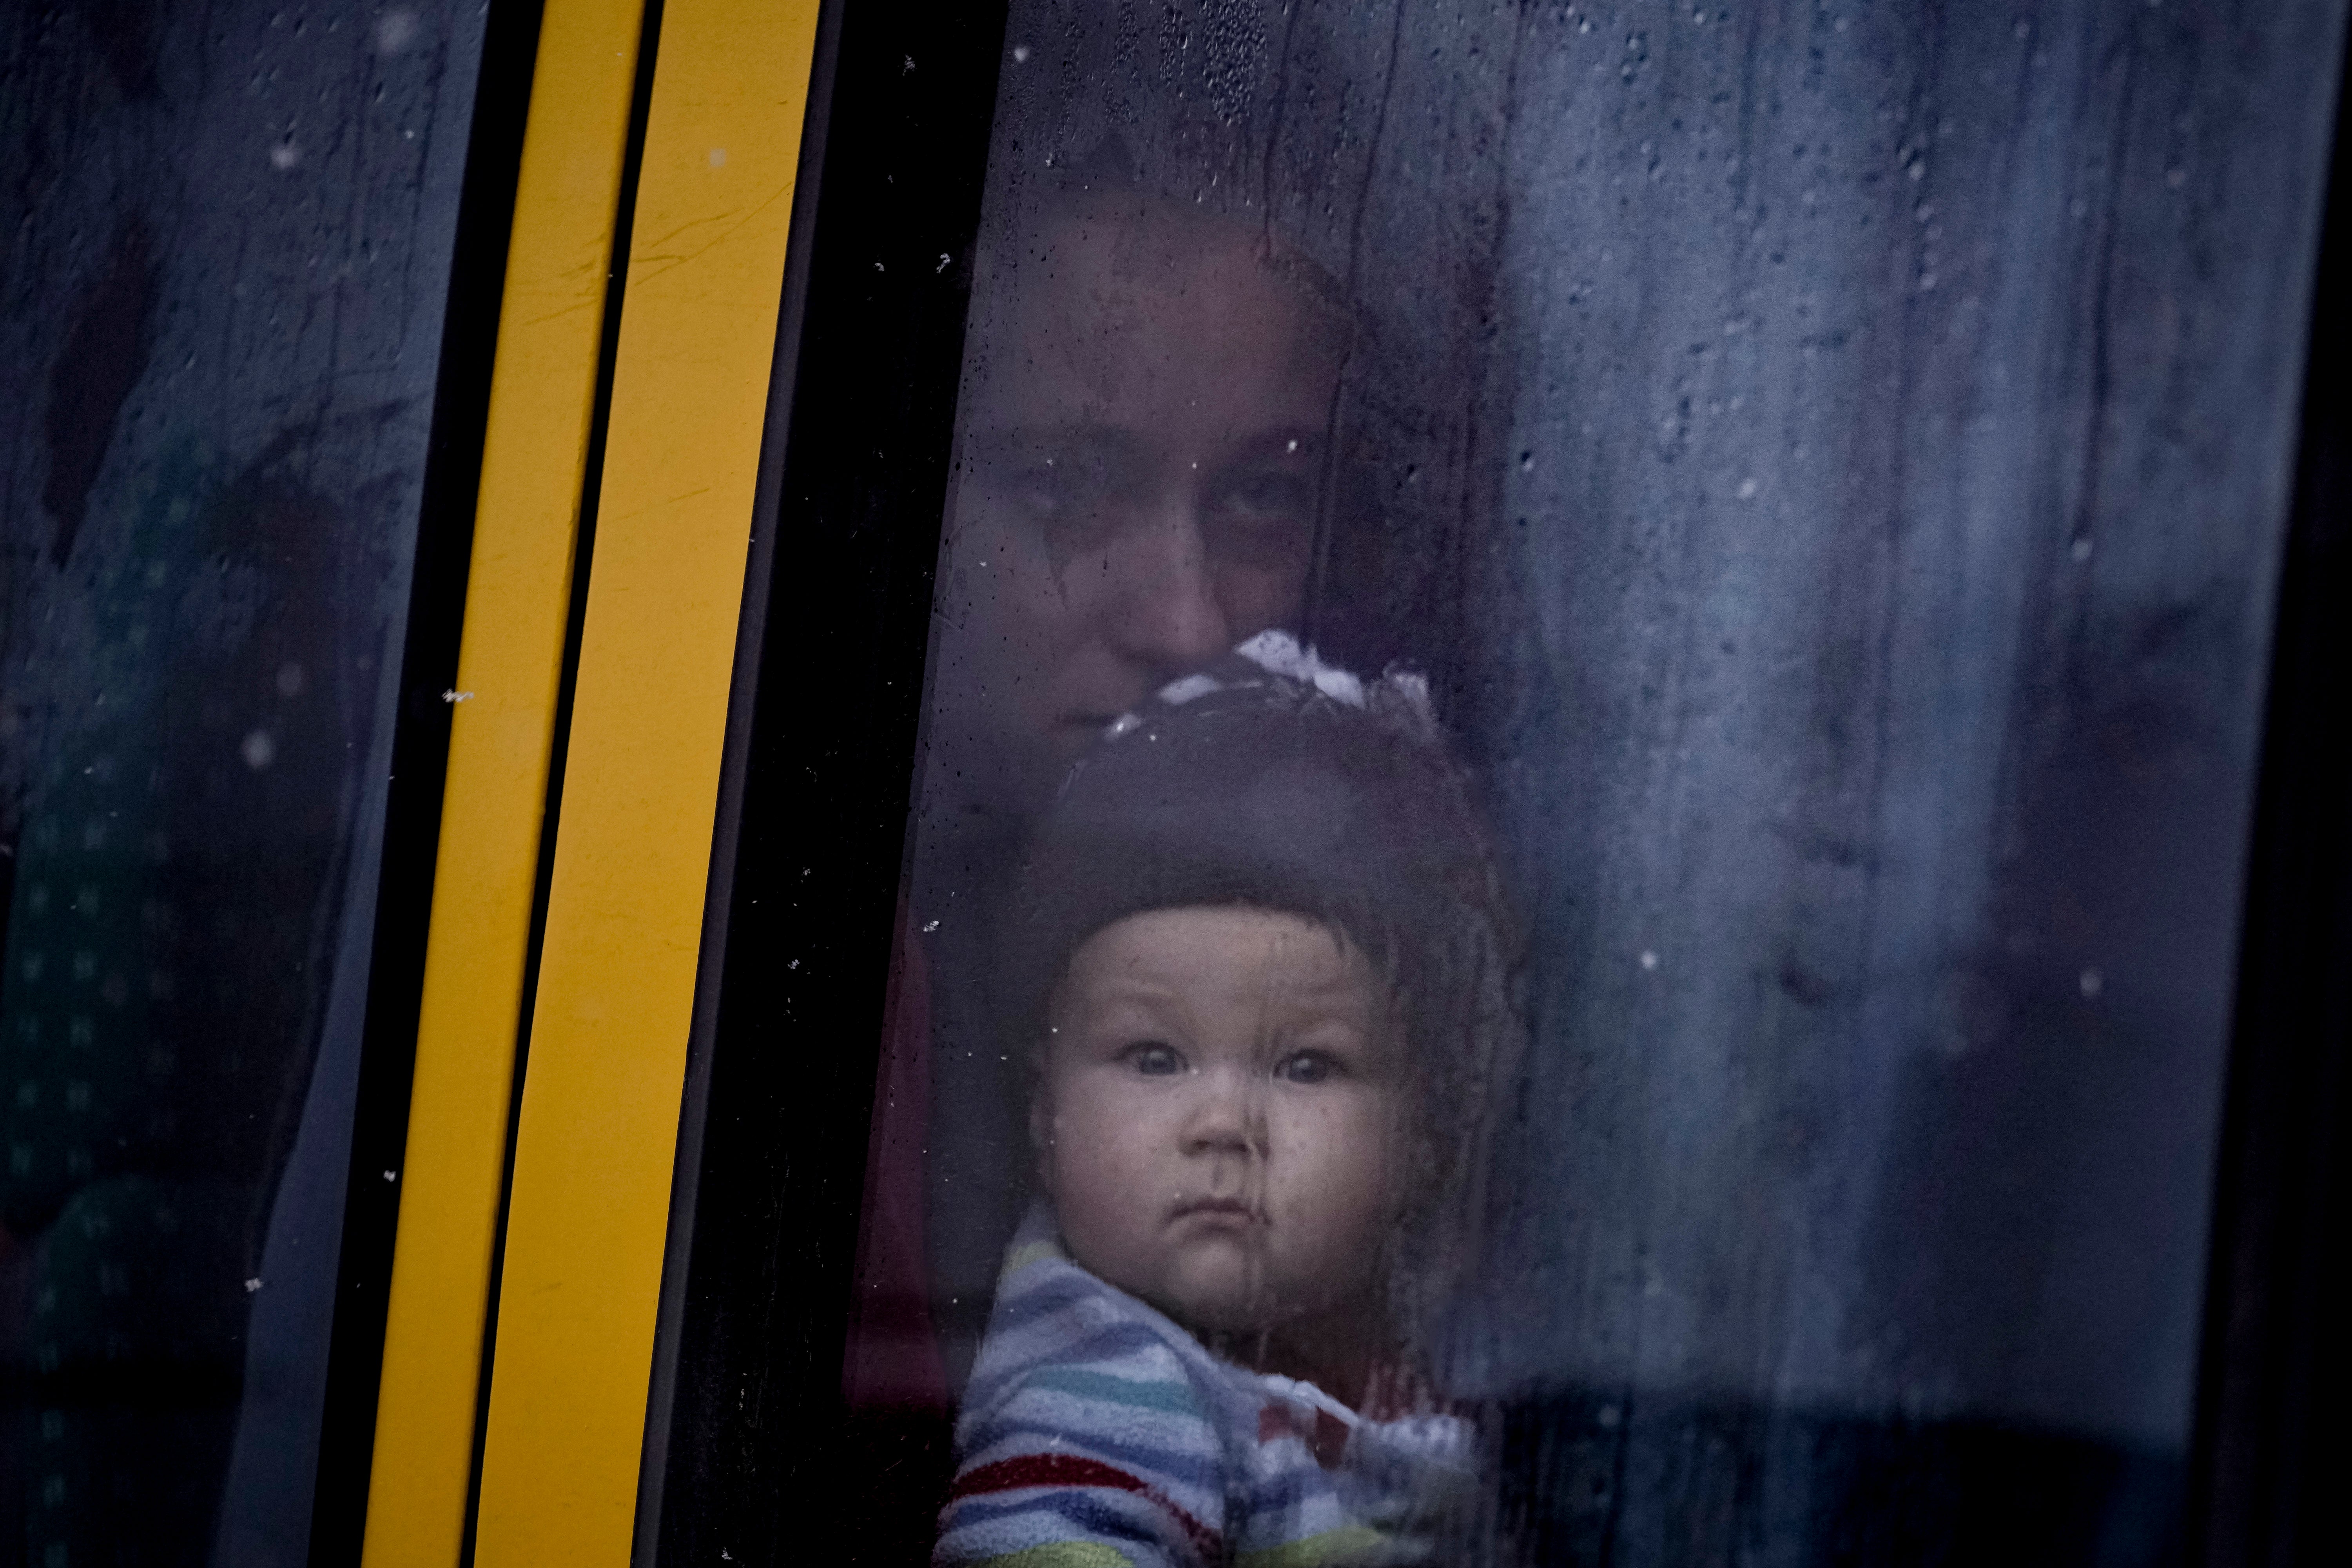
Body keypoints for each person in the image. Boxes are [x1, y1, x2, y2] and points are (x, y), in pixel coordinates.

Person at [841, 174, 1365, 1466]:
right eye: (1065, 483)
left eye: (1260, 495)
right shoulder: (741, 954)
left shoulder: (1397, 929)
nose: (1186, 622)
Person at [932, 636, 1521, 1568]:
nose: (1223, 1127)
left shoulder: (1387, 1372)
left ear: (1424, 1139)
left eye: (1305, 1068)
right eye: (1154, 1057)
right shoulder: (1109, 1401)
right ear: (1046, 1122)